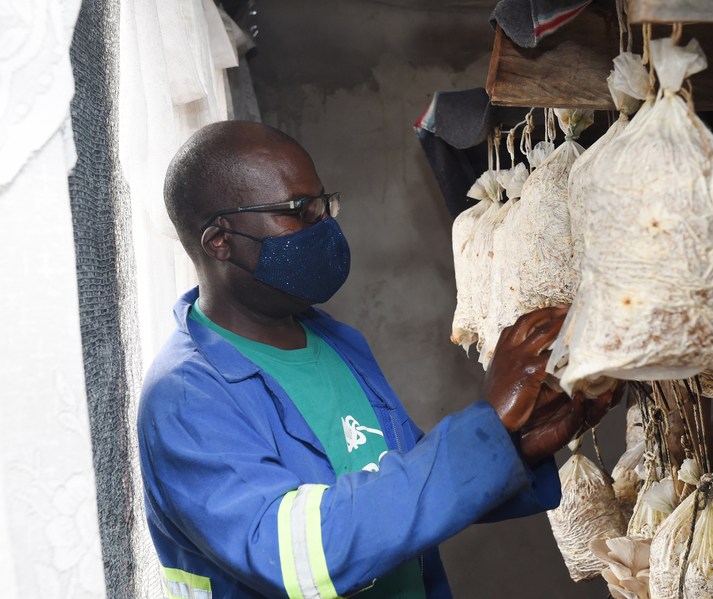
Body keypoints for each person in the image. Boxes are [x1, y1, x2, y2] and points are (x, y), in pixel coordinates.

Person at [138, 121, 619, 599]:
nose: (324, 223)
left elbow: (404, 484)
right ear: (219, 240)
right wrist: (486, 423)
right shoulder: (185, 398)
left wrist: (517, 443)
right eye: (300, 211)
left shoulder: (331, 339)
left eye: (324, 203)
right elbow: (299, 556)